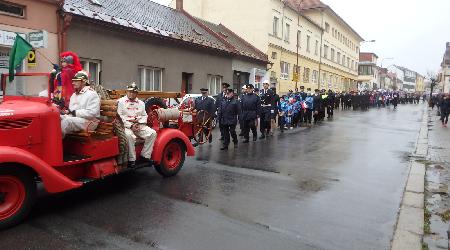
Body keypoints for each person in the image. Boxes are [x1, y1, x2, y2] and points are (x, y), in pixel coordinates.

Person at [117, 83, 157, 168]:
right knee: (129, 136)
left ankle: (145, 156)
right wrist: (130, 126)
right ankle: (132, 160)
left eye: (134, 92)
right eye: (130, 92)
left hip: (139, 125)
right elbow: (119, 117)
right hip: (125, 126)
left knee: (152, 133)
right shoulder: (120, 102)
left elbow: (144, 115)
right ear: (127, 92)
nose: (132, 93)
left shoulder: (141, 103)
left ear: (137, 93)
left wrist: (139, 123)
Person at [60, 71, 100, 138]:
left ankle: (57, 144)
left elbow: (92, 113)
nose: (73, 83)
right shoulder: (74, 95)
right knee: (57, 117)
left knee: (67, 121)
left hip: (90, 122)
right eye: (73, 81)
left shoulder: (92, 94)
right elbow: (72, 112)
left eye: (76, 81)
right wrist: (65, 112)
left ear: (84, 82)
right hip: (77, 119)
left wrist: (73, 112)